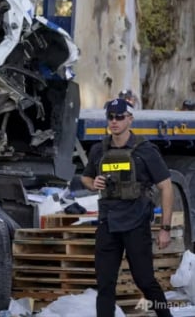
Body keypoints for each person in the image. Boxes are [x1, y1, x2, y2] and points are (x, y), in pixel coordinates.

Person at [81, 98, 174, 317]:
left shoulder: (146, 151)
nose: (114, 122)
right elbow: (85, 178)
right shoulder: (98, 149)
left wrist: (165, 228)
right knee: (105, 284)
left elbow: (166, 187)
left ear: (130, 119)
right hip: (108, 225)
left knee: (145, 281)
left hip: (135, 223)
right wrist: (93, 183)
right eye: (111, 117)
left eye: (120, 117)